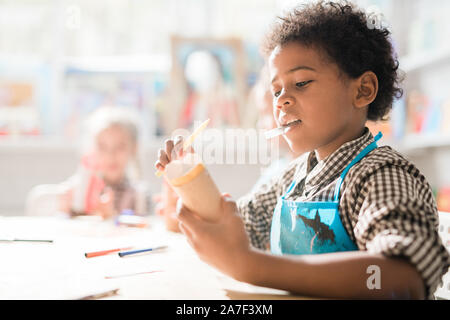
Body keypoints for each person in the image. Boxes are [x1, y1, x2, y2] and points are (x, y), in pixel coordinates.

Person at [155, 1, 450, 299]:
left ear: (363, 90)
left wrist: (252, 267)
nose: (282, 100)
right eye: (276, 90)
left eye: (301, 82)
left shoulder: (381, 174)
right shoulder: (294, 178)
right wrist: (186, 178)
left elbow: (402, 277)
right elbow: (237, 229)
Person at [59, 106, 148, 219]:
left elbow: (143, 231)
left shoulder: (140, 196)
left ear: (134, 148)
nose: (110, 155)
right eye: (102, 147)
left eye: (120, 147)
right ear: (92, 149)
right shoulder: (75, 190)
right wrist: (65, 212)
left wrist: (110, 218)